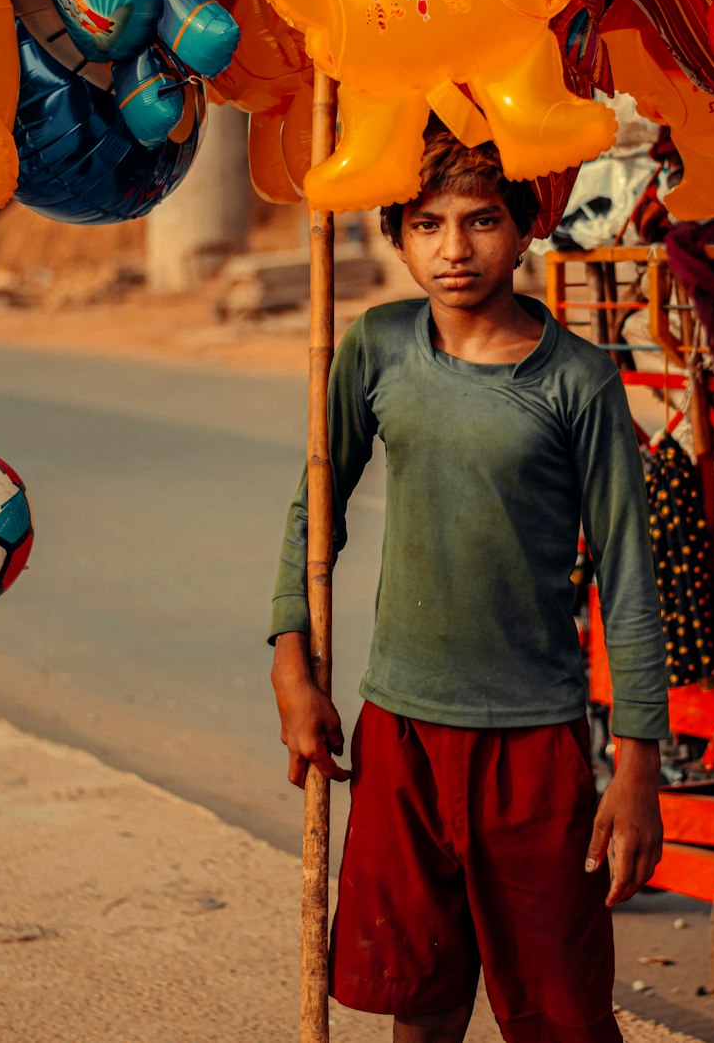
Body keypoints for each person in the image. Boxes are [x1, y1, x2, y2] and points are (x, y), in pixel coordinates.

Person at [269, 124, 668, 1043]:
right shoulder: (376, 347)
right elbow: (314, 512)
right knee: (423, 999)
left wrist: (638, 760)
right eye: (427, 224)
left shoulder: (578, 380)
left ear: (525, 225)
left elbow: (629, 575)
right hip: (400, 737)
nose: (454, 250)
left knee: (562, 1015)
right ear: (397, 234)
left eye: (481, 220)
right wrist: (293, 664)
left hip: (536, 751)